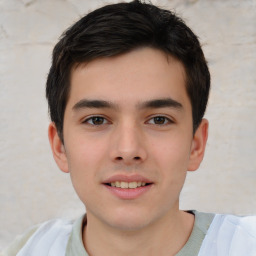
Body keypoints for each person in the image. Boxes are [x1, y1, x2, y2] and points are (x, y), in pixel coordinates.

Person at [2, 0, 256, 255]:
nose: (128, 149)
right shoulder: (28, 250)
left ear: (196, 144)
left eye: (159, 120)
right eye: (97, 120)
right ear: (60, 147)